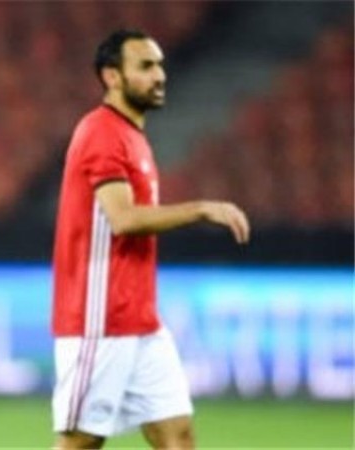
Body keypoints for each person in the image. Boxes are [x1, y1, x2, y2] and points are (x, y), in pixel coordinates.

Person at [50, 29, 250, 449]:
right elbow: (123, 219)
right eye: (145, 66)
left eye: (159, 65)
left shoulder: (131, 135)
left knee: (178, 436)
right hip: (99, 321)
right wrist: (202, 209)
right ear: (112, 76)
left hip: (141, 322)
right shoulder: (101, 132)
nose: (159, 75)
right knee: (80, 443)